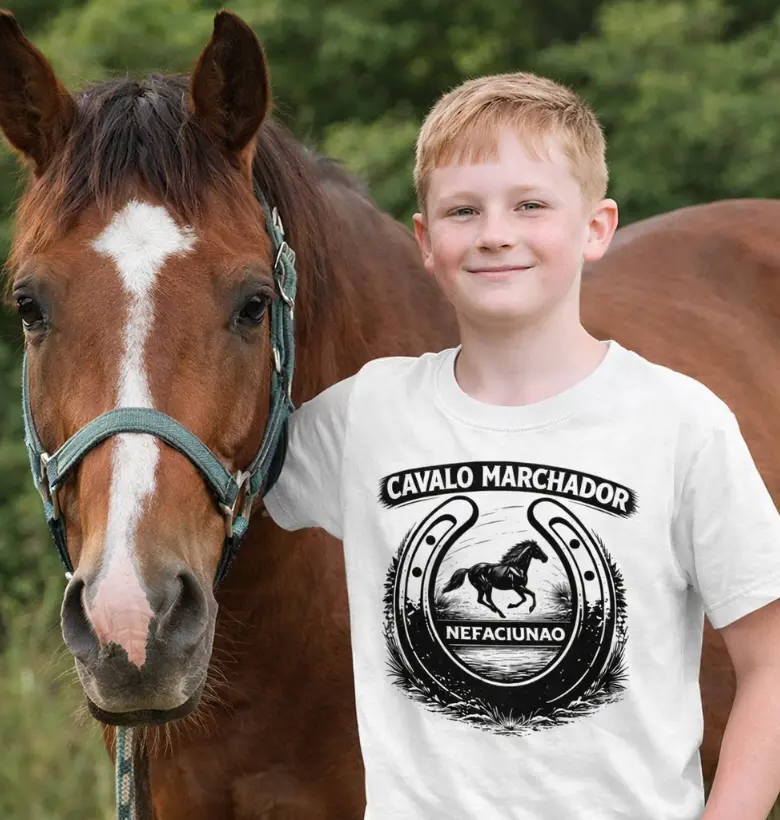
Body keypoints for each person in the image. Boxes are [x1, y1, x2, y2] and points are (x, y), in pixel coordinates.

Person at [264, 72, 780, 819]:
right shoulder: (361, 417)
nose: (495, 233)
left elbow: (771, 660)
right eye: (463, 211)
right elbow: (207, 481)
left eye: (530, 205)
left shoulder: (680, 421)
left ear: (597, 227)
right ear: (425, 242)